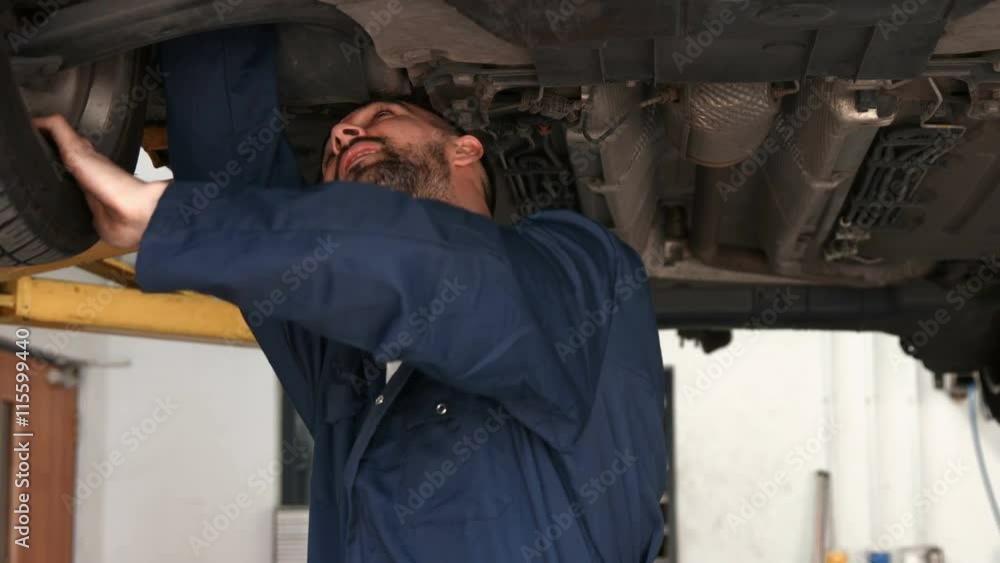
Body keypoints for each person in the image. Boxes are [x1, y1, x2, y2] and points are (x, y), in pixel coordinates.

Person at [34, 25, 666, 563]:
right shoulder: (352, 349)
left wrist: (176, 220)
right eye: (337, 142)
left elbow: (459, 280)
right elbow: (233, 174)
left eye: (381, 117)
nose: (342, 135)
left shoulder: (583, 273)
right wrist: (215, 19)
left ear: (466, 148)